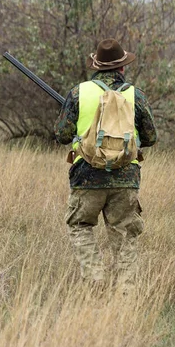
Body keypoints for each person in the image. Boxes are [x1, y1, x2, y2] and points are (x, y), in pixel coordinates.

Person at [54, 38, 157, 290]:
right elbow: (151, 137)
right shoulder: (136, 95)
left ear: (96, 66)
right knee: (125, 233)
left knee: (80, 225)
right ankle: (125, 290)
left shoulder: (79, 92)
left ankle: (95, 278)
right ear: (122, 68)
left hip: (86, 175)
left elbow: (62, 136)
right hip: (126, 176)